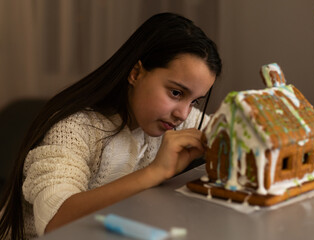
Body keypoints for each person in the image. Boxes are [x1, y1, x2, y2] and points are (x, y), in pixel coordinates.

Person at [0, 12, 222, 239]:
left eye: (194, 101)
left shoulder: (170, 119)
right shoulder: (72, 128)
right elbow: (55, 222)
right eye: (176, 92)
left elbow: (227, 129)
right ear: (136, 73)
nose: (183, 114)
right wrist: (156, 172)